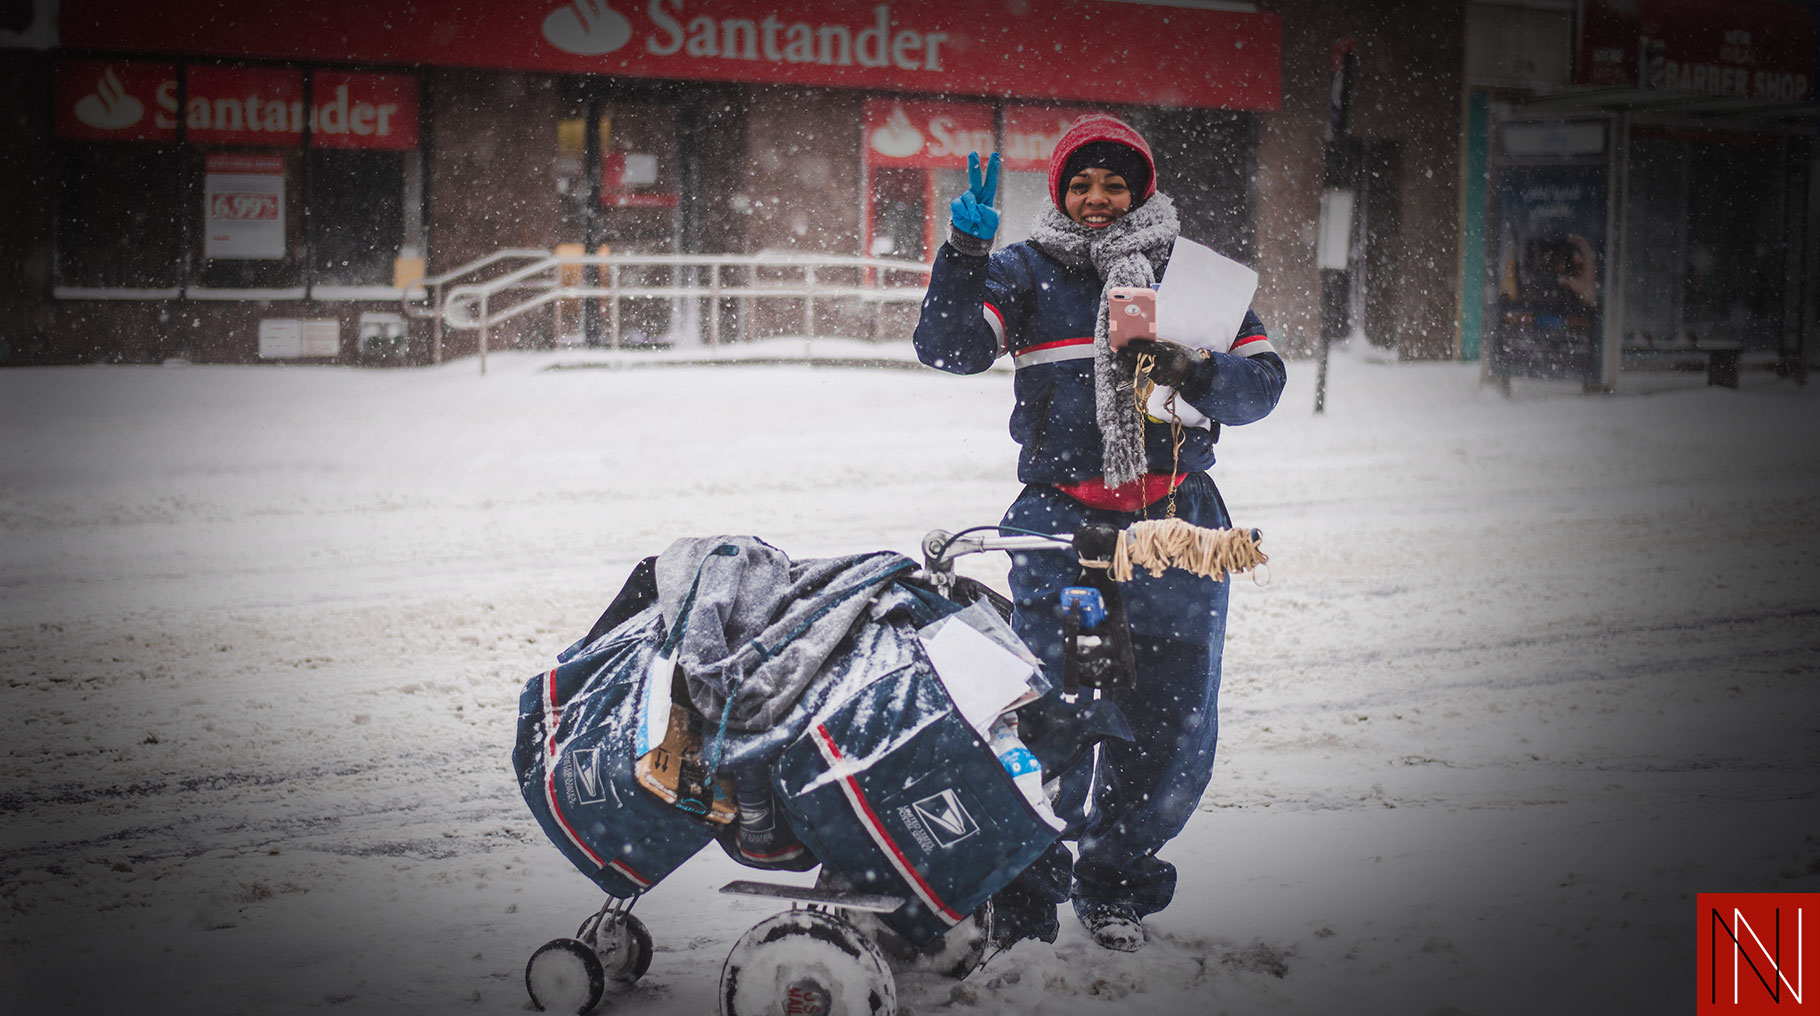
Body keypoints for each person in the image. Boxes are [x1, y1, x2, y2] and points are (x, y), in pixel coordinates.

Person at [912, 114, 1286, 952]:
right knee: (1063, 714)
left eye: (1114, 183)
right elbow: (948, 348)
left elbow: (1262, 386)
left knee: (1170, 725)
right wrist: (964, 257)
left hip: (1179, 531)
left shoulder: (1199, 281)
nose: (1096, 198)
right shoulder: (1026, 274)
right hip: (1067, 534)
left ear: (1142, 189)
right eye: (1081, 183)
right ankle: (1027, 898)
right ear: (1058, 191)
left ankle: (1115, 883)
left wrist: (1189, 367)